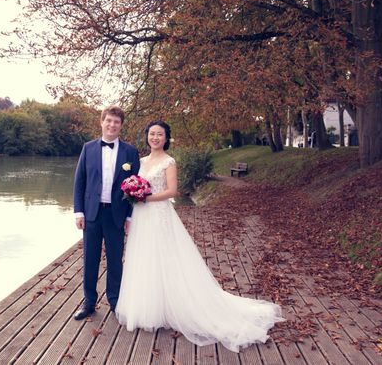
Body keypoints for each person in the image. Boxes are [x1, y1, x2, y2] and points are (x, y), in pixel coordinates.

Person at [115, 120, 284, 352]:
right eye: (152, 134)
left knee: (165, 257)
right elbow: (133, 186)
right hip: (142, 216)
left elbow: (172, 191)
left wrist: (145, 198)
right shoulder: (140, 161)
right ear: (147, 136)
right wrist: (135, 196)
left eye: (160, 134)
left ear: (166, 138)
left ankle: (173, 307)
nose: (155, 138)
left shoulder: (169, 161)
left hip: (159, 214)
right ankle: (149, 308)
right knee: (144, 258)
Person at [73, 106, 140, 320]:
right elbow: (79, 182)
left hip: (116, 215)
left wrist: (130, 216)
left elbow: (135, 187)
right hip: (92, 213)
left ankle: (115, 302)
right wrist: (78, 212)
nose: (112, 125)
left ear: (121, 125)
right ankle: (89, 303)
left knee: (114, 260)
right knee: (90, 260)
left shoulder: (130, 152)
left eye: (116, 122)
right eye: (108, 121)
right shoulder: (88, 148)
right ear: (102, 122)